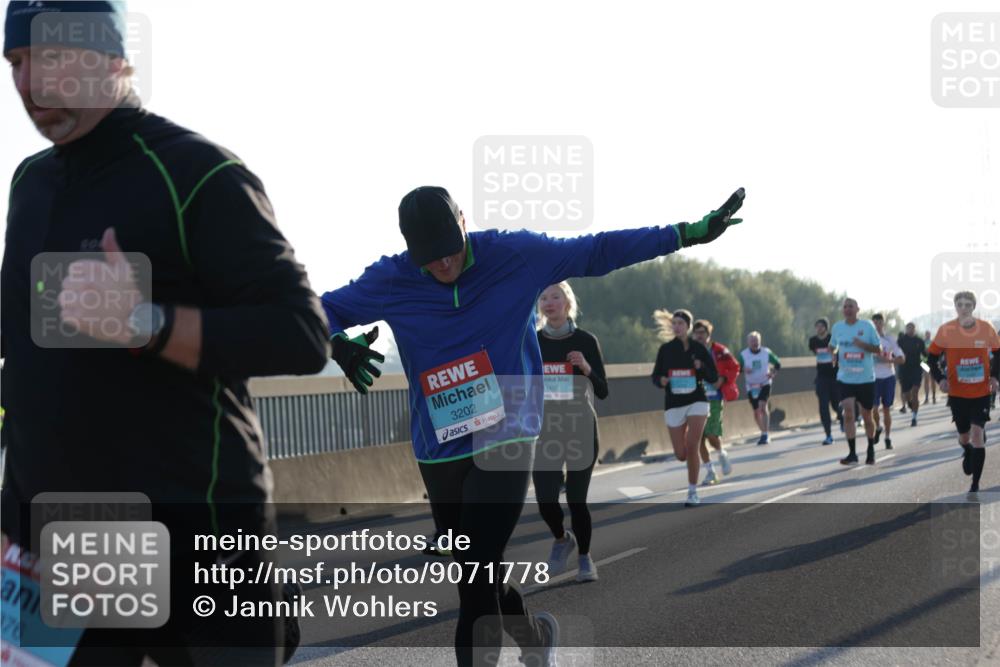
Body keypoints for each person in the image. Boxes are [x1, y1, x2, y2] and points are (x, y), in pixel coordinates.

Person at [1, 2, 330, 664]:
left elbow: (300, 333)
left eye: (53, 56)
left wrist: (147, 323)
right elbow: (25, 346)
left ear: (112, 58)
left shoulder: (196, 172)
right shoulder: (31, 181)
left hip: (198, 536)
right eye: (17, 61)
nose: (30, 83)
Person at [321, 185, 745, 666]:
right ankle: (535, 636)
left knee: (474, 579)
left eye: (450, 249)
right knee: (479, 569)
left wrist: (684, 234)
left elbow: (597, 250)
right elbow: (320, 308)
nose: (443, 263)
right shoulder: (391, 278)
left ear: (464, 222)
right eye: (430, 257)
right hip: (439, 447)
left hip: (509, 431)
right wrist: (335, 342)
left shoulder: (514, 254)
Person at [533, 282, 607, 582]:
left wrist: (586, 367)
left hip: (581, 429)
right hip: (546, 431)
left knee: (576, 500)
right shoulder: (532, 342)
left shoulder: (585, 340)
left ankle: (585, 558)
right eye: (543, 297)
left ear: (567, 302)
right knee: (545, 501)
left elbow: (603, 390)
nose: (549, 302)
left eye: (555, 296)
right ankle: (562, 539)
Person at [926, 291, 1000, 496]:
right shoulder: (946, 330)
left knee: (977, 435)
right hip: (957, 394)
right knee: (964, 437)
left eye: (968, 304)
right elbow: (930, 358)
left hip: (981, 392)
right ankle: (967, 450)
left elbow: (998, 354)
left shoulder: (986, 328)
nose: (964, 308)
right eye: (960, 304)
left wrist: (995, 377)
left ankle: (975, 485)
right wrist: (940, 379)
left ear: (973, 307)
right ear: (955, 307)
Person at [651, 310, 720, 506]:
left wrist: (701, 367)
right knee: (681, 454)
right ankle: (690, 448)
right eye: (674, 323)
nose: (677, 326)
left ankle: (692, 492)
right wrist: (661, 380)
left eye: (681, 323)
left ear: (688, 326)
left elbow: (713, 377)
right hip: (674, 404)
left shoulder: (699, 349)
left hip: (697, 400)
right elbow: (655, 376)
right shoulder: (666, 349)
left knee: (692, 446)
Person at [829, 298, 881, 465]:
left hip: (865, 378)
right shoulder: (837, 327)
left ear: (858, 309)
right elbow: (832, 346)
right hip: (845, 378)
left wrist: (863, 345)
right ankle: (852, 453)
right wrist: (833, 354)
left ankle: (870, 448)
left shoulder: (867, 326)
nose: (847, 309)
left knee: (867, 416)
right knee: (848, 413)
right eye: (845, 307)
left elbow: (878, 349)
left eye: (851, 306)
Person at [691, 319, 738, 484]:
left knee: (711, 435)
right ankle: (711, 472)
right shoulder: (690, 351)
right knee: (698, 439)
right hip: (695, 400)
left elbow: (735, 366)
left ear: (708, 334)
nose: (699, 336)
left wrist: (723, 379)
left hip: (714, 399)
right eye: (696, 333)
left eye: (702, 333)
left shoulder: (719, 350)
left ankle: (721, 453)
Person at [738, 332, 781, 445]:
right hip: (751, 386)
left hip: (764, 383)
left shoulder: (766, 352)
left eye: (756, 340)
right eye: (752, 341)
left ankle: (765, 434)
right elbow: (736, 367)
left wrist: (773, 373)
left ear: (760, 341)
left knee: (762, 406)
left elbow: (777, 363)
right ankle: (763, 431)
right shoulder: (743, 355)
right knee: (756, 411)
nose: (755, 343)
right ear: (748, 342)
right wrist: (743, 370)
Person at [871, 314, 905, 450]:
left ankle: (887, 437)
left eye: (879, 323)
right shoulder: (868, 340)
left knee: (886, 409)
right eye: (875, 323)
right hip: (873, 378)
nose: (877, 325)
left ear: (883, 324)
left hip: (888, 377)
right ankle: (878, 427)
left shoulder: (889, 339)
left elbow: (901, 358)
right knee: (874, 408)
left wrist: (889, 360)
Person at [809, 317, 842, 444]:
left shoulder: (833, 339)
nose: (819, 328)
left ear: (826, 328)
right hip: (821, 377)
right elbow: (815, 352)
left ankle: (842, 418)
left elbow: (839, 353)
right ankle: (828, 435)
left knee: (836, 405)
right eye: (817, 326)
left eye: (821, 326)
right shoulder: (813, 341)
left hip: (835, 376)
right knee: (823, 407)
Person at [896, 322, 927, 426]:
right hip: (904, 370)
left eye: (912, 328)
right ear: (906, 329)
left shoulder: (919, 341)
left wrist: (929, 357)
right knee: (906, 395)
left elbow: (925, 354)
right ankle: (910, 403)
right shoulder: (901, 341)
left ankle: (914, 417)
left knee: (915, 392)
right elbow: (895, 353)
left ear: (915, 329)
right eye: (908, 328)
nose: (910, 330)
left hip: (916, 369)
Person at [923, 330, 937, 404]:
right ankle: (926, 398)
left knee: (932, 380)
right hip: (924, 363)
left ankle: (934, 397)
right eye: (926, 334)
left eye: (928, 334)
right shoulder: (922, 342)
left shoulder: (932, 342)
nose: (927, 335)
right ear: (925, 335)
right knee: (926, 380)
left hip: (932, 362)